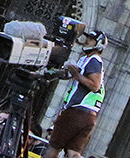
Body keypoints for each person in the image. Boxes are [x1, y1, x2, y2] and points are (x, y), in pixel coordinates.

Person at [43, 30, 106, 158]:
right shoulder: (85, 59)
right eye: (87, 38)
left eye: (91, 39)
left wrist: (76, 75)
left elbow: (95, 86)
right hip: (89, 116)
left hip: (77, 110)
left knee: (54, 146)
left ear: (99, 44)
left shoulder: (94, 60)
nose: (87, 41)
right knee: (73, 151)